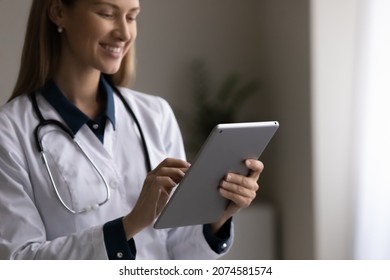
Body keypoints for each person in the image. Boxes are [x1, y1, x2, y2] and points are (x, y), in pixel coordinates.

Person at [0, 0, 264, 260]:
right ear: (58, 12)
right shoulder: (10, 130)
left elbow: (176, 250)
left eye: (132, 17)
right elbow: (17, 262)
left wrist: (220, 215)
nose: (124, 33)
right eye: (107, 13)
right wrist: (130, 225)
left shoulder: (155, 114)